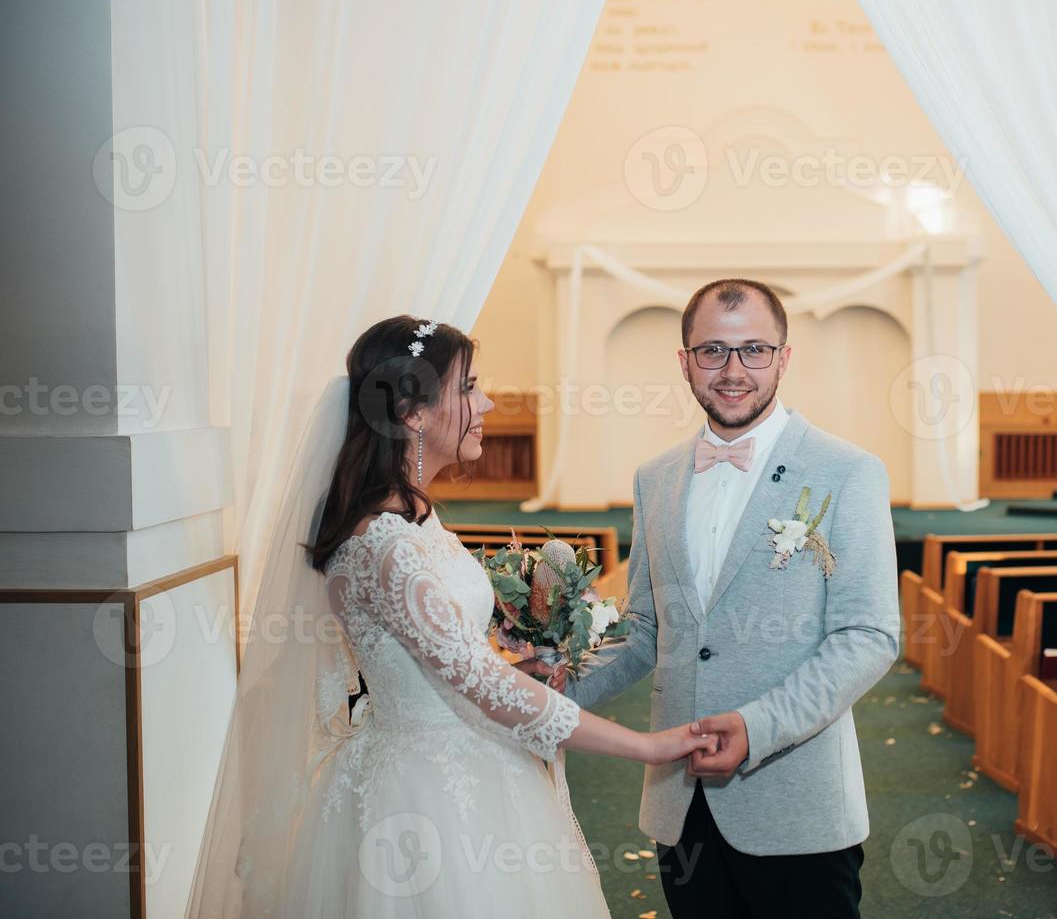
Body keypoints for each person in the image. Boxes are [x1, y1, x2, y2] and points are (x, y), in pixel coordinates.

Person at [187, 316, 715, 918]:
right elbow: (481, 686)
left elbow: (442, 652)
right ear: (413, 413)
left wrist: (515, 656)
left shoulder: (415, 520)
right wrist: (647, 746)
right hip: (426, 798)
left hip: (467, 765)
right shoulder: (389, 544)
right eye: (469, 388)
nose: (486, 402)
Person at [530, 279, 901, 918]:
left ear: (785, 357)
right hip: (680, 804)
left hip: (795, 801)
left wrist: (758, 729)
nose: (733, 371)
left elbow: (868, 636)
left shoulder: (848, 471)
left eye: (754, 350)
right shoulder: (657, 478)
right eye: (712, 352)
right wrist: (550, 693)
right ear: (684, 361)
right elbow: (649, 627)